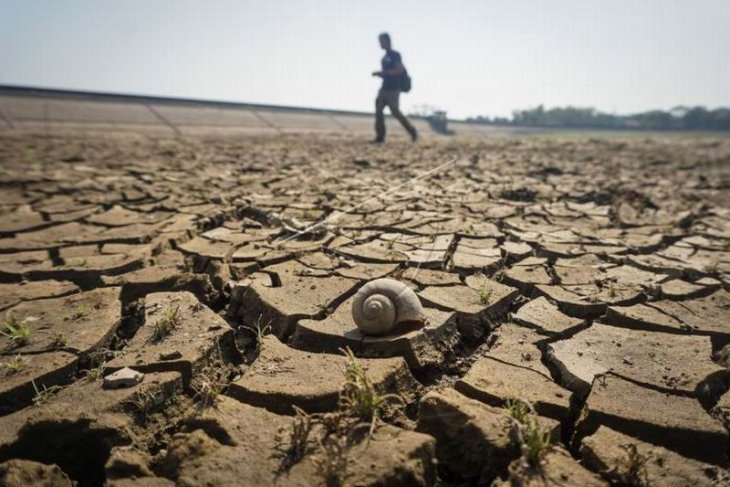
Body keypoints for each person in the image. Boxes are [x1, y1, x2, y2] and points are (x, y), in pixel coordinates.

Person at [371, 33, 418, 143]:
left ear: (387, 41)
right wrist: (381, 74)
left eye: (382, 41)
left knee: (395, 112)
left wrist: (383, 73)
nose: (380, 44)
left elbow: (399, 70)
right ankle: (380, 137)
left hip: (393, 89)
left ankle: (412, 131)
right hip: (384, 88)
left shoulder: (395, 55)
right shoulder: (384, 58)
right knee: (378, 111)